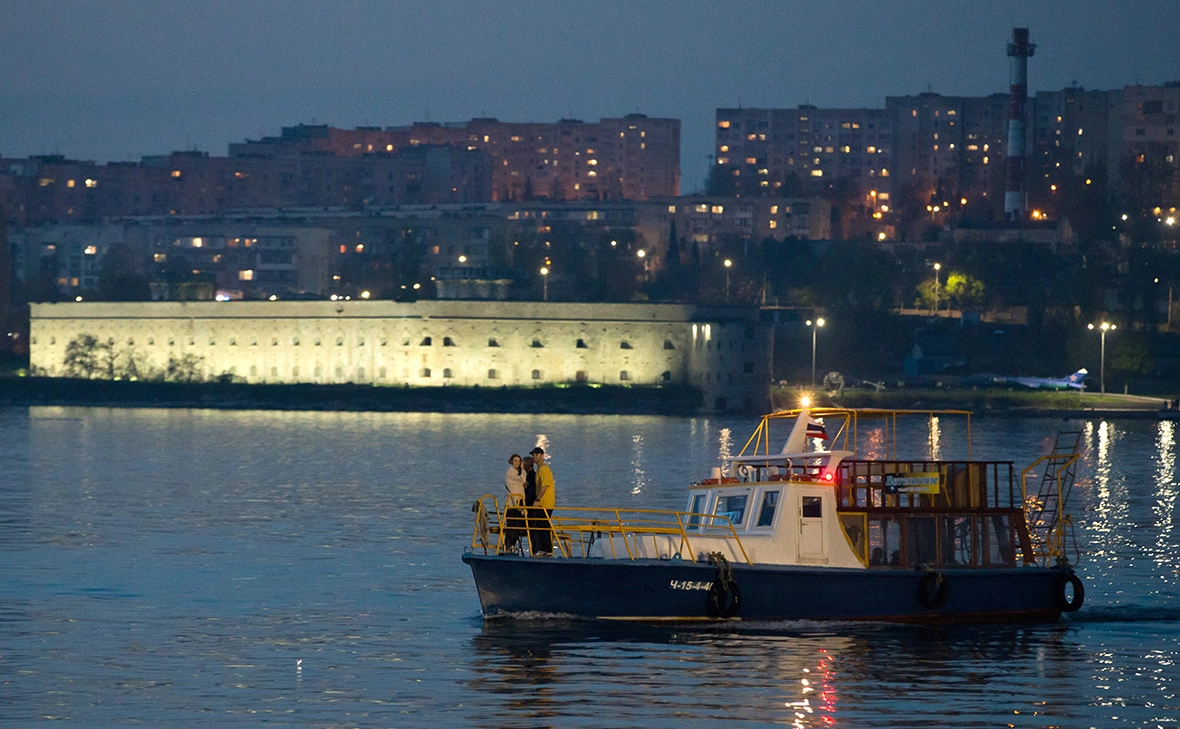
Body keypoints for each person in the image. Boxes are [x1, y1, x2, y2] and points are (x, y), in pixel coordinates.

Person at [530, 447, 556, 555]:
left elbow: (544, 486)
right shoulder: (540, 469)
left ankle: (546, 550)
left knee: (543, 526)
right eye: (534, 455)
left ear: (542, 455)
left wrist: (537, 499)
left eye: (537, 455)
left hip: (545, 503)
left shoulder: (544, 469)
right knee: (542, 525)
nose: (535, 457)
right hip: (544, 503)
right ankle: (545, 549)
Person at [503, 454, 527, 551]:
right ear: (511, 462)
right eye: (515, 461)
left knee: (518, 525)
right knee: (511, 525)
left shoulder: (522, 472)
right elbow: (520, 480)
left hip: (519, 502)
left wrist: (522, 471)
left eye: (518, 461)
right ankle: (508, 545)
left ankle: (512, 545)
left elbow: (523, 479)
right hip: (511, 503)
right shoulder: (510, 472)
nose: (517, 463)